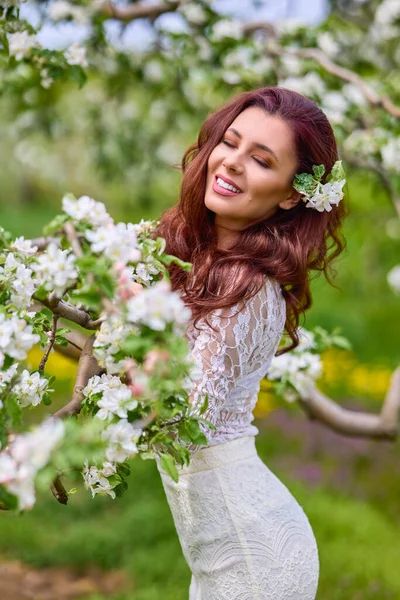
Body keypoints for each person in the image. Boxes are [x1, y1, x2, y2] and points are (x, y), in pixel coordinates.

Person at [154, 86, 347, 600]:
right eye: (230, 143)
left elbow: (181, 417)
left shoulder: (250, 292)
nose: (233, 163)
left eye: (261, 160)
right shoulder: (186, 258)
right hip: (217, 548)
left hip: (253, 557)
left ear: (290, 193)